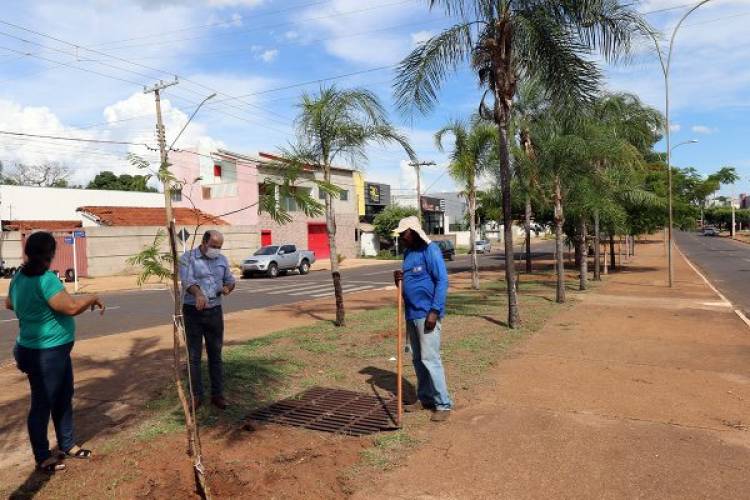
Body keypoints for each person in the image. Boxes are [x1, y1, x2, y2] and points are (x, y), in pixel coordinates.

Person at [6, 231, 105, 473]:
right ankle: (42, 456)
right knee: (42, 404)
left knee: (63, 395)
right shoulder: (45, 279)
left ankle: (68, 444)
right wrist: (91, 297)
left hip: (45, 351)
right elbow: (70, 308)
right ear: (50, 253)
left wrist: (31, 310)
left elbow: (9, 303)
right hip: (44, 353)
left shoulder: (19, 276)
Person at [393, 216, 453, 422]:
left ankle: (443, 404)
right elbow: (409, 282)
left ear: (414, 231)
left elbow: (442, 280)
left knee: (430, 358)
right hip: (412, 314)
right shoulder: (409, 253)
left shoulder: (431, 250)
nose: (401, 237)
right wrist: (398, 281)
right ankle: (425, 398)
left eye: (404, 233)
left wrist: (435, 311)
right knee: (418, 359)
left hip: (427, 315)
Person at [180, 230, 235, 410]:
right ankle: (196, 396)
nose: (216, 250)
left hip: (214, 313)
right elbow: (187, 282)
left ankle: (217, 395)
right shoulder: (188, 259)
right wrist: (198, 294)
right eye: (213, 246)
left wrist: (228, 288)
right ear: (204, 242)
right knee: (194, 357)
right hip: (193, 312)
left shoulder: (222, 260)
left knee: (215, 355)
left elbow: (230, 280)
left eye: (219, 247)